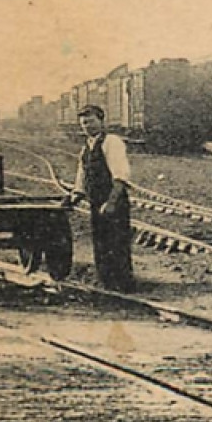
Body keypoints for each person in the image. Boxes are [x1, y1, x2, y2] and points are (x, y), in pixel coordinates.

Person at [67, 105, 136, 292]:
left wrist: (111, 202)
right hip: (96, 202)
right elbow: (82, 175)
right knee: (101, 242)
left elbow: (120, 175)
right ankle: (107, 284)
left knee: (117, 242)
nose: (87, 126)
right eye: (83, 124)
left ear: (101, 121)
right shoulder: (86, 147)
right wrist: (75, 195)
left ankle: (124, 285)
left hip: (113, 200)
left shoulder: (111, 142)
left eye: (90, 122)